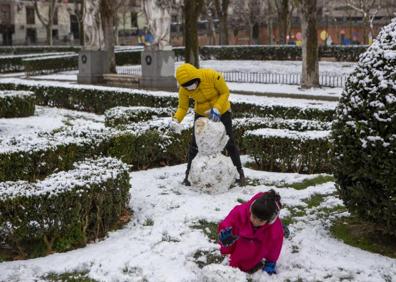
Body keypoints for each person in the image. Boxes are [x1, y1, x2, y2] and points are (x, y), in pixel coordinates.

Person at [172, 63, 245, 186]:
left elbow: (225, 92)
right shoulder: (184, 89)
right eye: (187, 87)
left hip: (221, 111)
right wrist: (175, 119)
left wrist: (217, 108)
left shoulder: (211, 75)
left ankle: (240, 173)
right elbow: (183, 107)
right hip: (201, 114)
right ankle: (188, 176)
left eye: (192, 84)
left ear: (196, 78)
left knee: (229, 142)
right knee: (195, 145)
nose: (191, 89)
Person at [218, 189, 284, 274]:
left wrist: (271, 262)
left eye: (261, 220)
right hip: (237, 240)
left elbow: (275, 246)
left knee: (248, 260)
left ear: (269, 219)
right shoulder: (240, 212)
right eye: (254, 217)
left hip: (255, 247)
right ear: (251, 210)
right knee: (228, 249)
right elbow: (228, 222)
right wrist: (224, 233)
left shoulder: (275, 228)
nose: (255, 222)